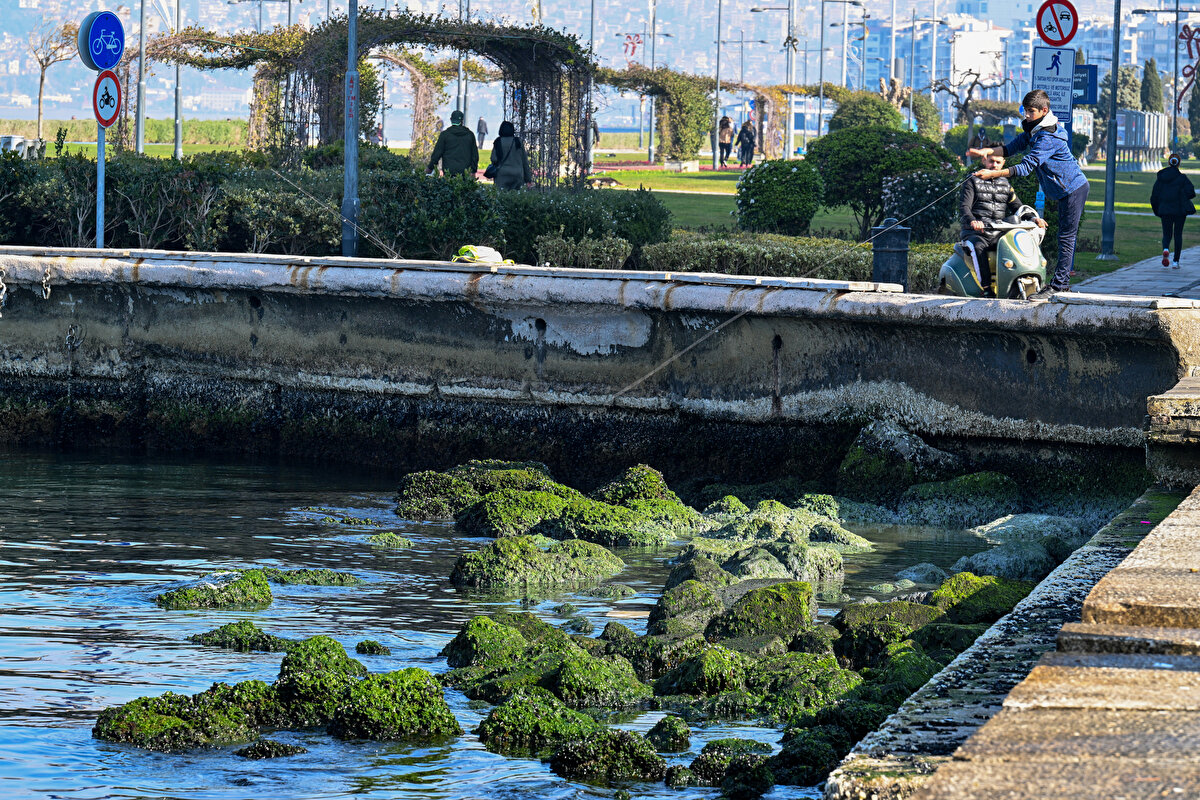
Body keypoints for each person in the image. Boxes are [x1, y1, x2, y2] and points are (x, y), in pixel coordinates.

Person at [967, 89, 1088, 298]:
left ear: (1044, 110)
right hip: (1064, 190)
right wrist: (986, 152)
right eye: (1025, 111)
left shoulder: (1049, 136)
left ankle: (1059, 285)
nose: (1027, 116)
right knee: (1064, 237)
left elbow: (1025, 167)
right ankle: (1061, 283)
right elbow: (1009, 149)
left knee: (1066, 237)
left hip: (1073, 189)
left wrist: (994, 173)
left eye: (1031, 112)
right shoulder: (1034, 131)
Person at [959, 152, 1047, 296]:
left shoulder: (1006, 184)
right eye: (991, 161)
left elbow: (1018, 207)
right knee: (978, 248)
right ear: (984, 161)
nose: (994, 165)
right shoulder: (972, 182)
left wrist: (1034, 219)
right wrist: (973, 221)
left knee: (1018, 243)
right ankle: (986, 289)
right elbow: (965, 207)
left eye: (998, 162)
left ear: (1003, 163)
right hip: (975, 233)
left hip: (998, 232)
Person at [1151, 152, 1196, 269]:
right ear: (1178, 164)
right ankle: (1176, 262)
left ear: (1169, 162)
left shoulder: (1161, 179)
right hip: (1180, 211)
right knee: (1178, 234)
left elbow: (1154, 196)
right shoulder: (1182, 178)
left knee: (1166, 234)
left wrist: (1157, 210)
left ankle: (1166, 249)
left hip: (1165, 210)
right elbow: (1191, 192)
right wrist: (1182, 195)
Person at [427, 109, 479, 178]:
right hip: (466, 172)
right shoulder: (470, 135)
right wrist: (473, 170)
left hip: (449, 172)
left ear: (451, 120)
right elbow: (475, 155)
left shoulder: (445, 135)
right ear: (462, 121)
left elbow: (437, 153)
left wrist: (430, 168)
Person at [489, 120, 533, 190]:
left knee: (501, 196)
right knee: (516, 197)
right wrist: (528, 179)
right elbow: (524, 161)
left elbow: (493, 158)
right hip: (517, 174)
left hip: (502, 174)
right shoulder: (517, 142)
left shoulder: (498, 141)